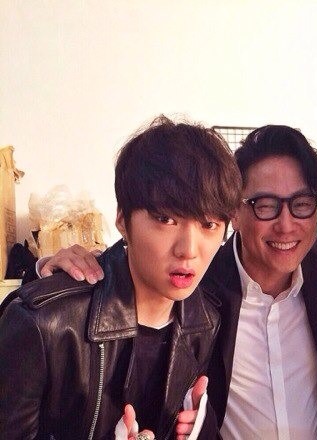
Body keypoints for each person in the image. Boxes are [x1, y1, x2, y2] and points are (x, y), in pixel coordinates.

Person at [34, 125, 317, 439]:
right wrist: (67, 261)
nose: (286, 225)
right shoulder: (200, 285)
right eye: (265, 206)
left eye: (301, 204)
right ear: (234, 211)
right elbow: (145, 263)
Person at [0, 116, 242, 439]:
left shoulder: (205, 322)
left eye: (209, 225)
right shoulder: (44, 325)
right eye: (166, 219)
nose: (188, 250)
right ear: (122, 220)